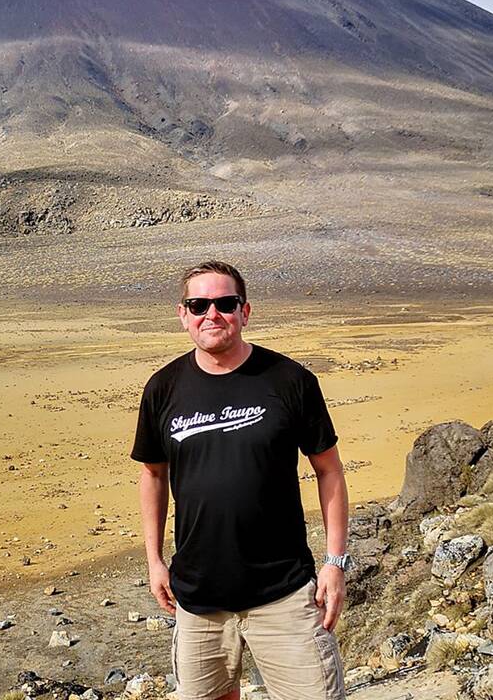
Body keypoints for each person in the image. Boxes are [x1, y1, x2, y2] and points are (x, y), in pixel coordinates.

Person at [131, 260, 351, 700]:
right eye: (198, 305)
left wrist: (335, 562)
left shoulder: (290, 380)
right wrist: (154, 560)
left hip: (284, 596)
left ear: (244, 312)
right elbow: (152, 474)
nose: (211, 314)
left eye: (225, 303)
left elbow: (329, 469)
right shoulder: (163, 388)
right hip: (198, 601)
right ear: (183, 314)